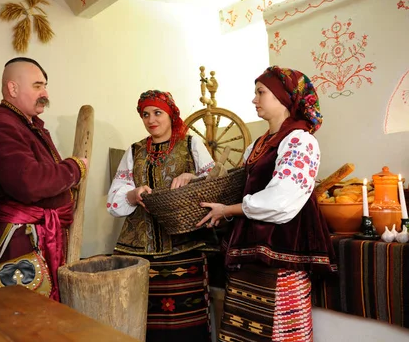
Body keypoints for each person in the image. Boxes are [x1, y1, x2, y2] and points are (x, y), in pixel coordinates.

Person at [196, 66, 336, 342]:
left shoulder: (300, 140)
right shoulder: (259, 143)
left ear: (283, 98)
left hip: (282, 247)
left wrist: (229, 210)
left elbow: (281, 199)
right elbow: (239, 184)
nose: (254, 99)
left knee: (279, 327)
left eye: (261, 92)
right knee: (245, 326)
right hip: (251, 248)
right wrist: (198, 178)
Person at [0, 57, 87, 301]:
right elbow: (31, 182)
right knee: (22, 319)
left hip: (35, 236)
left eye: (45, 85)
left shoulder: (26, 124)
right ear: (12, 88)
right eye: (37, 86)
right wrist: (75, 168)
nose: (45, 92)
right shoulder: (1, 128)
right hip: (17, 242)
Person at [107, 90, 216, 341]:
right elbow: (113, 200)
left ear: (171, 114)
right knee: (144, 319)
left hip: (185, 246)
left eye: (158, 113)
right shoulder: (134, 151)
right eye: (145, 114)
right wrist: (133, 194)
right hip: (140, 251)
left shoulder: (190, 144)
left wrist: (192, 176)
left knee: (187, 322)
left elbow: (214, 179)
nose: (151, 119)